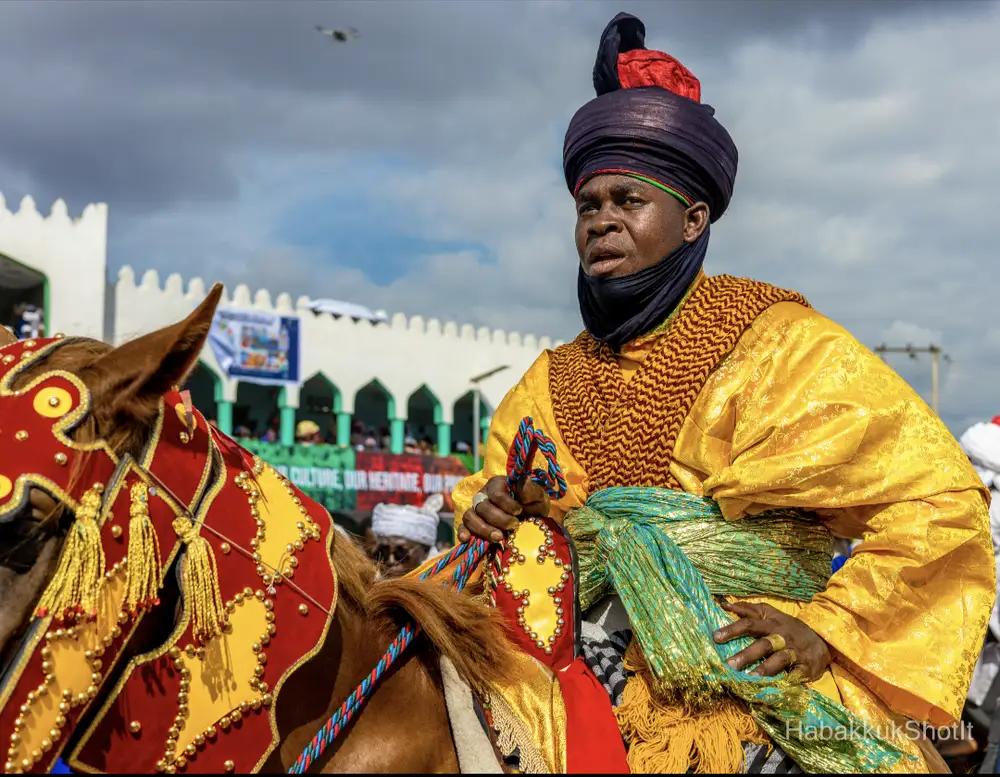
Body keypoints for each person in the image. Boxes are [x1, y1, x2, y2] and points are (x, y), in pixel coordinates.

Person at [453, 12, 992, 775]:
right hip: (563, 663)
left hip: (740, 673)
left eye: (627, 201)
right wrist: (491, 518)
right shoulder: (547, 380)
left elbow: (939, 503)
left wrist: (826, 630)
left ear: (693, 219)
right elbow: (490, 523)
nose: (601, 220)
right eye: (588, 205)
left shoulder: (780, 345)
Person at [368, 494, 444, 578]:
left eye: (401, 554)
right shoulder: (367, 585)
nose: (391, 561)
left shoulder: (445, 584)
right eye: (383, 553)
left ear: (425, 552)